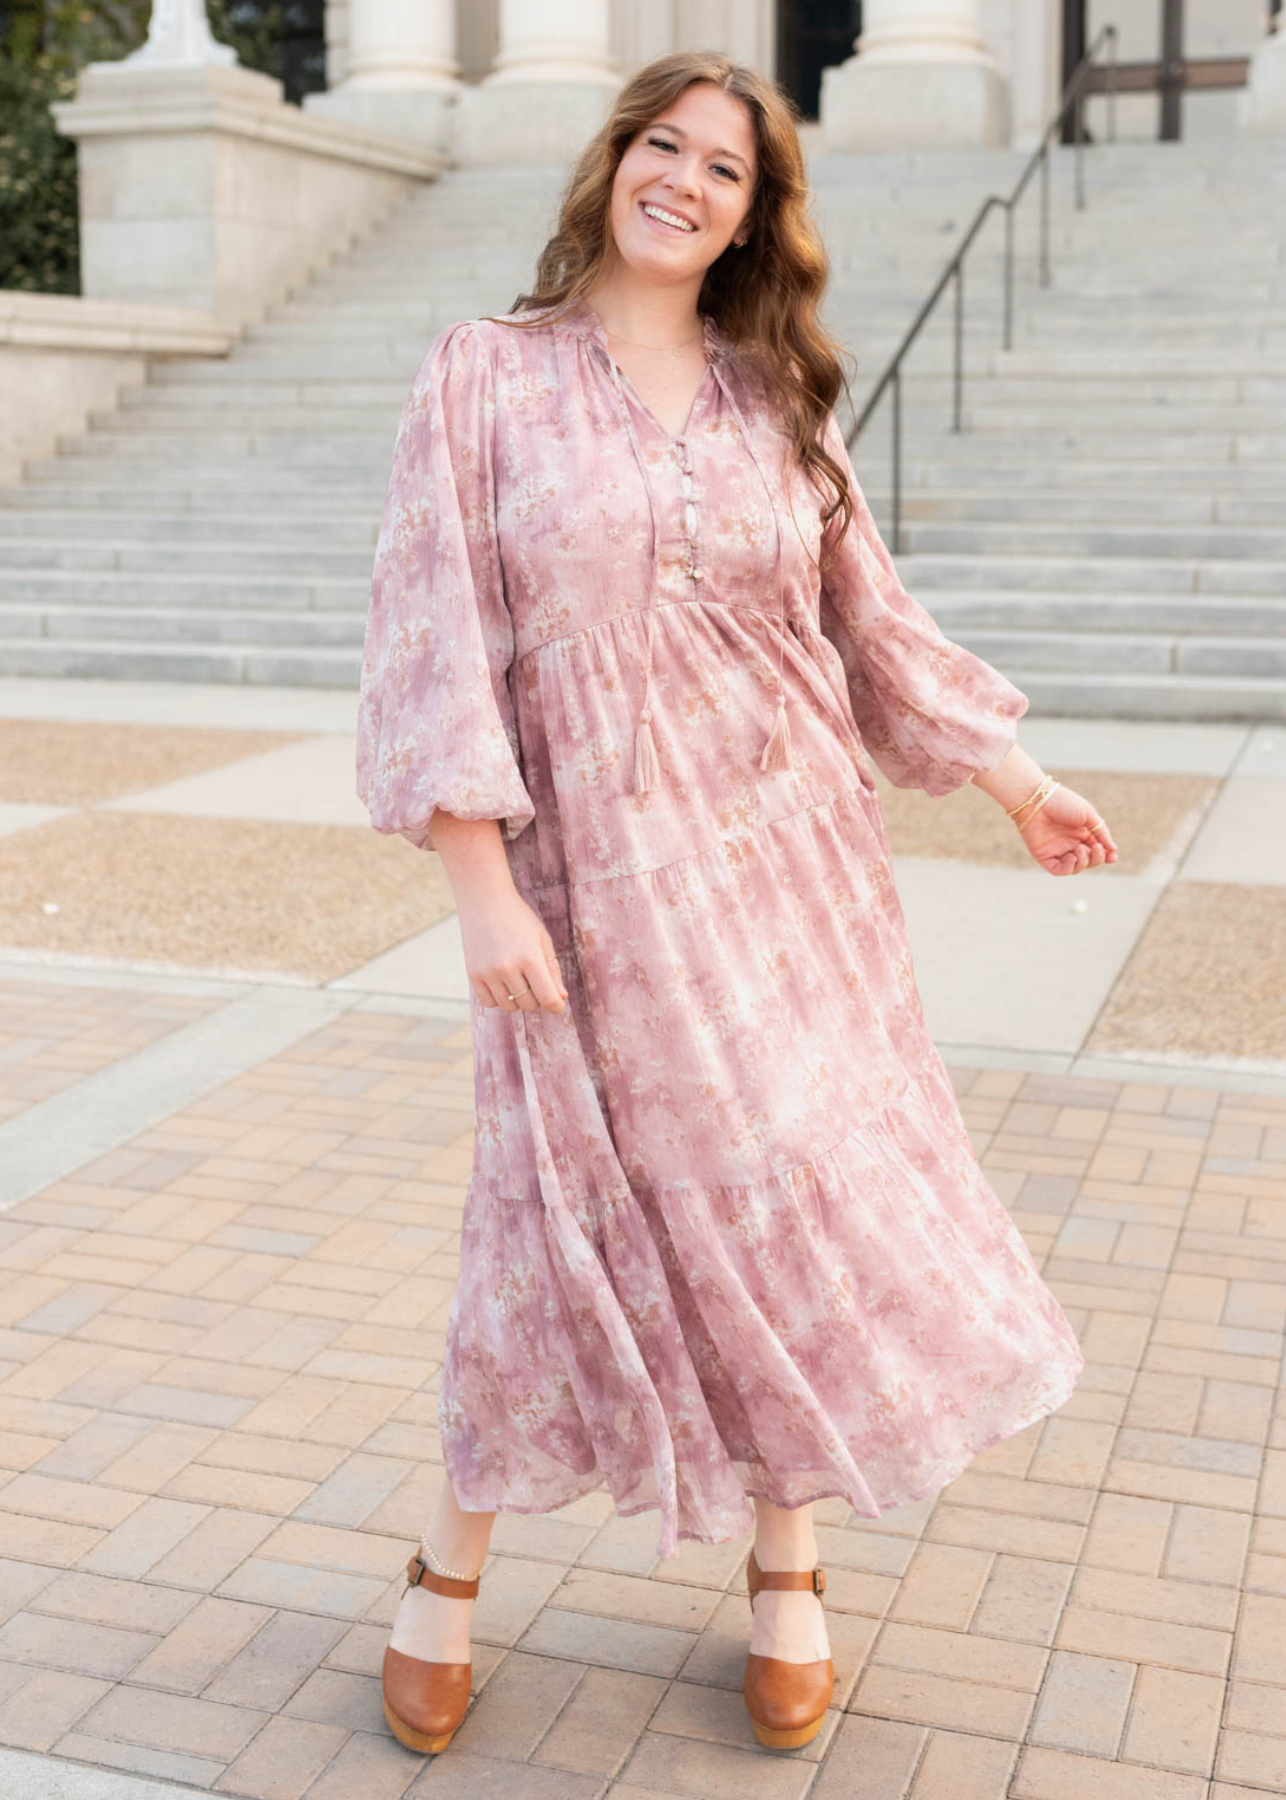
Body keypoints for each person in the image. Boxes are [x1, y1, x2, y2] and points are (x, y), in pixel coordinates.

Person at [356, 48, 1113, 1761]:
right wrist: (481, 889)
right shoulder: (483, 375)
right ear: (612, 161)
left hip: (788, 873)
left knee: (789, 1193)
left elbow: (871, 619)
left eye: (726, 168)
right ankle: (448, 1561)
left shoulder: (777, 395)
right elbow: (431, 633)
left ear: (755, 216)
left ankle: (790, 1558)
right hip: (585, 880)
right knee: (550, 1212)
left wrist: (1013, 779)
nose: (683, 181)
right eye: (662, 145)